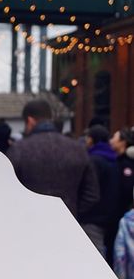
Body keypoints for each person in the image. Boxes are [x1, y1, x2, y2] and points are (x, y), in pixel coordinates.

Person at [7, 99, 99, 220]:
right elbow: (92, 195)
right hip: (67, 222)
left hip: (29, 221)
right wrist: (71, 212)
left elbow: (7, 191)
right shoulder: (78, 149)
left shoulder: (19, 149)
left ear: (29, 121)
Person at [79, 125, 119, 258]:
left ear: (91, 139)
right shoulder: (113, 158)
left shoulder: (94, 160)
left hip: (93, 216)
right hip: (110, 215)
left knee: (94, 254)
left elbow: (90, 189)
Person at [110, 127, 134, 222]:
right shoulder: (118, 161)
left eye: (114, 138)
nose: (111, 141)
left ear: (123, 142)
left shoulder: (128, 164)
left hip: (122, 215)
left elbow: (126, 190)